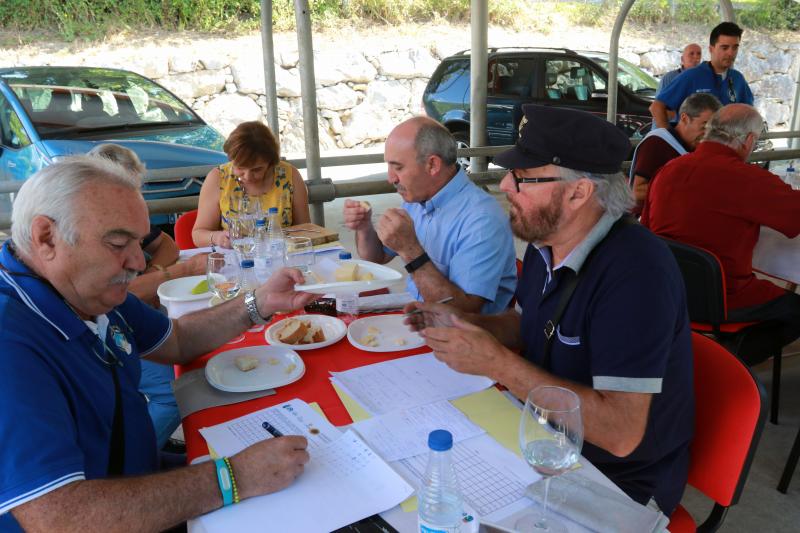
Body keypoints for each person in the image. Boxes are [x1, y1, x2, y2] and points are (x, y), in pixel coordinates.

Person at [0, 156, 317, 531]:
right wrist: (234, 477)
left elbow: (177, 340)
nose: (137, 261)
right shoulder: (11, 340)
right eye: (118, 243)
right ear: (46, 237)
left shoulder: (87, 293)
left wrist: (258, 303)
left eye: (139, 241)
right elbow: (61, 519)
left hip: (137, 478)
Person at [406, 105, 694, 515]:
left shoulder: (637, 274)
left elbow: (621, 434)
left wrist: (497, 363)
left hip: (617, 481)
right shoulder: (546, 242)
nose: (505, 184)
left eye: (523, 177)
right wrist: (468, 325)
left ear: (579, 192)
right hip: (541, 442)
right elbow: (528, 325)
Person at [643, 104, 800, 347]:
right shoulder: (747, 179)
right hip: (724, 298)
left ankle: (707, 359)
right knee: (795, 309)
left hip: (664, 291)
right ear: (748, 140)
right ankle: (730, 364)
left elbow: (648, 229)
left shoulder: (668, 169)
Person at [88, 143, 208, 450]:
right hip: (101, 335)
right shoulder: (91, 230)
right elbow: (124, 295)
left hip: (125, 322)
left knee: (194, 363)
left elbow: (167, 245)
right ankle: (138, 461)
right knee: (175, 392)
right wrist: (170, 275)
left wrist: (150, 273)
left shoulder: (117, 214)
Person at [343, 116, 517, 314]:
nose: (390, 178)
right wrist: (365, 228)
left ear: (433, 165)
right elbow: (378, 257)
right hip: (419, 316)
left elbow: (464, 313)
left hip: (462, 336)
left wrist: (410, 250)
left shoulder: (481, 220)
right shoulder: (418, 198)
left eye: (398, 167)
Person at [192, 121, 310, 249]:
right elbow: (198, 235)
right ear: (231, 160)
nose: (247, 176)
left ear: (271, 163)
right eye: (240, 167)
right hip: (234, 259)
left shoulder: (289, 176)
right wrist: (217, 237)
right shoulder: (218, 178)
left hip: (280, 256)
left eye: (257, 169)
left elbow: (305, 230)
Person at [649, 22, 753, 129]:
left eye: (735, 48)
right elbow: (657, 107)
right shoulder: (691, 76)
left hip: (726, 144)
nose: (730, 53)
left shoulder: (737, 79)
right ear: (711, 49)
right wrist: (669, 139)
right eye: (724, 48)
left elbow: (749, 113)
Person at [630, 93, 721, 212]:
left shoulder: (702, 146)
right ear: (684, 118)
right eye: (704, 126)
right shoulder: (657, 142)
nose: (708, 134)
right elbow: (637, 192)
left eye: (713, 129)